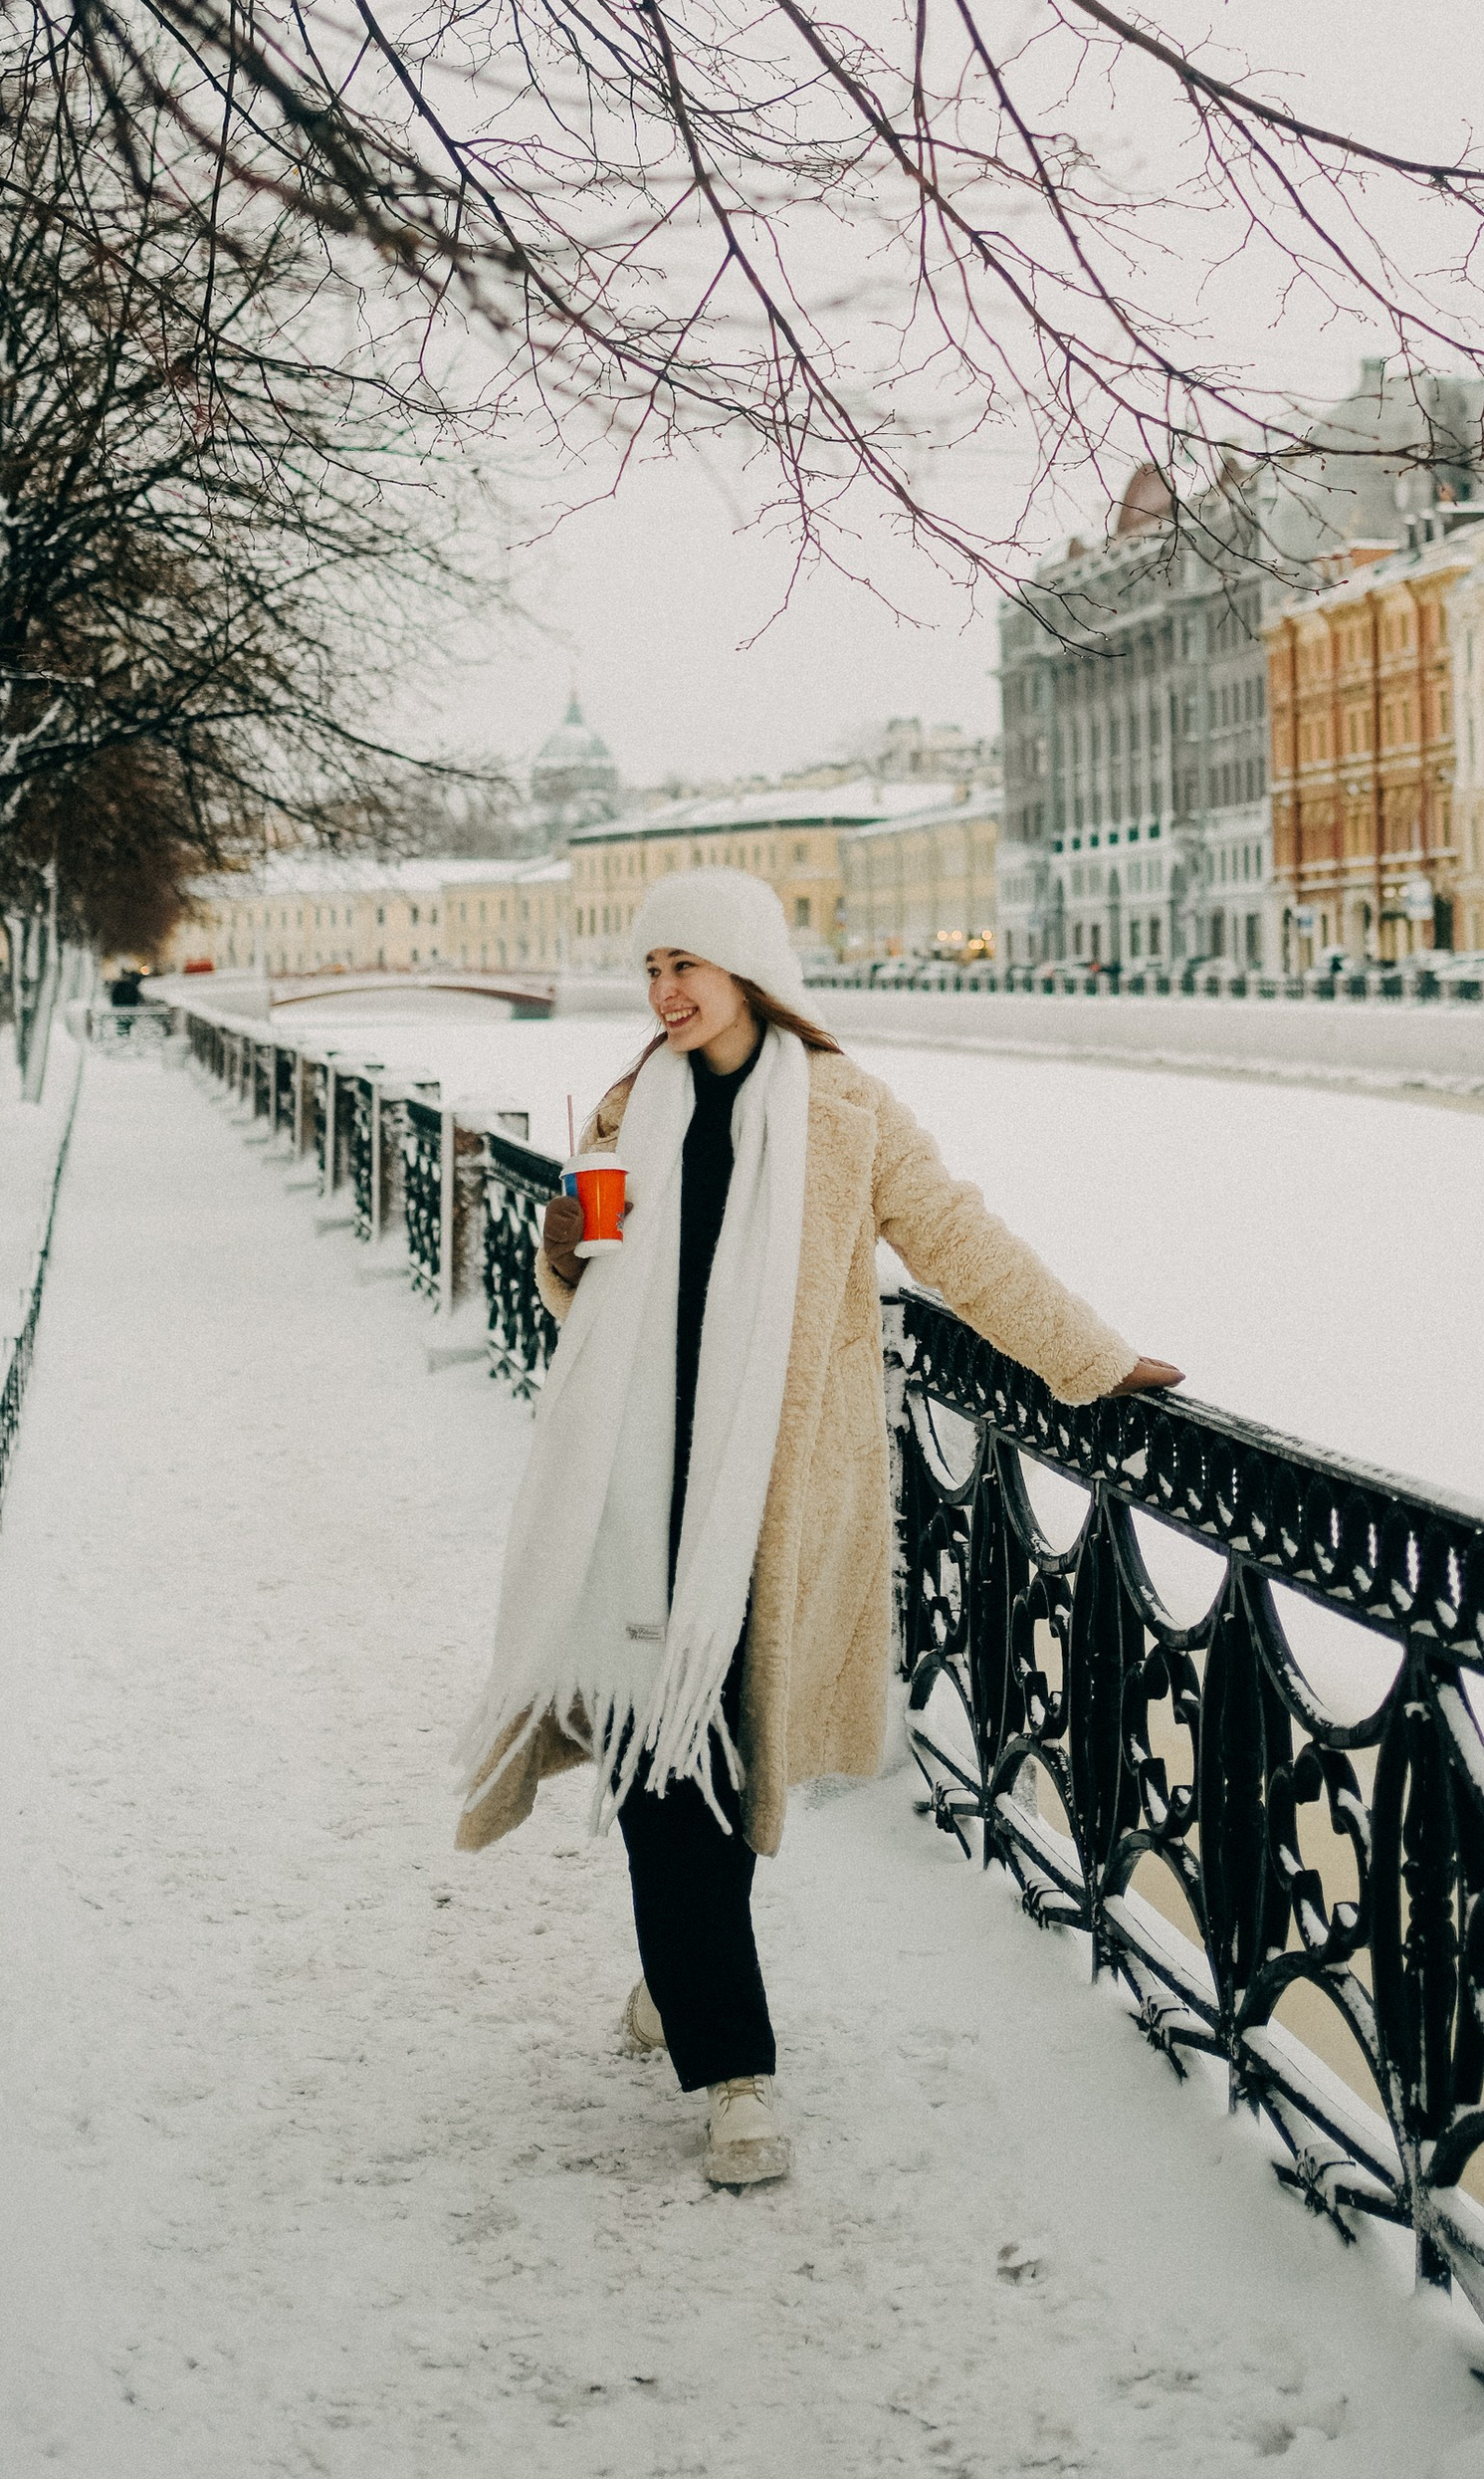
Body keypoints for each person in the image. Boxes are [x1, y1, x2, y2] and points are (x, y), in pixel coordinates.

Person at [455, 867, 1179, 2191]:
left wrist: (1095, 1359)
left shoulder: (850, 1117)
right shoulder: (629, 1110)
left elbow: (964, 1244)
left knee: (719, 1766)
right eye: (650, 970)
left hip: (769, 1511)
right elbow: (591, 1289)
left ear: (750, 968)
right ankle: (739, 2073)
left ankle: (682, 1986)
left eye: (688, 965)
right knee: (657, 1763)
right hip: (636, 1495)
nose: (666, 993)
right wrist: (567, 1249)